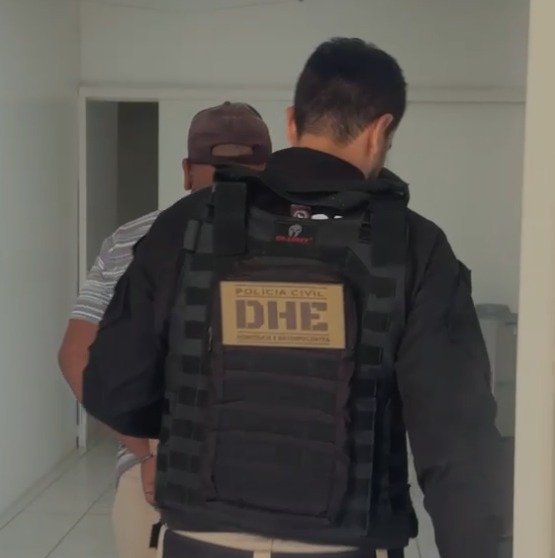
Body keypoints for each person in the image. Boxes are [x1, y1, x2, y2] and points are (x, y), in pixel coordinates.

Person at [82, 39, 505, 558]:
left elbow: (113, 390)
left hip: (201, 542)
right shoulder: (415, 246)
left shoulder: (186, 225)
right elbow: (457, 444)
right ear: (381, 130)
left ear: (290, 122)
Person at [58, 101, 272, 558]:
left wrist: (148, 452)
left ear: (188, 171)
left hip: (156, 472)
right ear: (268, 171)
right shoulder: (302, 238)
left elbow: (76, 356)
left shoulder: (134, 239)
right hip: (277, 472)